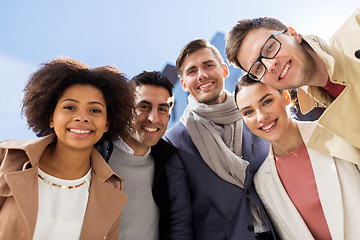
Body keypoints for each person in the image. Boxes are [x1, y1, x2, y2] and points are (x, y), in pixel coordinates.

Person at [0, 58, 135, 239]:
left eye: (95, 110)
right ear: (51, 117)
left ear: (107, 124)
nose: (82, 117)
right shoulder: (6, 157)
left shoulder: (112, 186)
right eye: (70, 107)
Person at [164, 39, 277, 239]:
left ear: (224, 70)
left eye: (208, 65)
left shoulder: (255, 116)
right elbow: (180, 217)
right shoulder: (174, 141)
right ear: (183, 84)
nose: (202, 75)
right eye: (192, 71)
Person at [225, 8, 360, 163]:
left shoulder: (356, 30)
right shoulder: (323, 123)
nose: (270, 65)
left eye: (270, 47)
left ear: (293, 34)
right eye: (258, 68)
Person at [234, 74, 360, 240]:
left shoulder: (336, 135)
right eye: (248, 112)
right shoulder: (262, 182)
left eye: (267, 102)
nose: (261, 117)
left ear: (286, 96)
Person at [98, 71, 176, 240]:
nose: (153, 118)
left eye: (162, 109)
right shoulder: (95, 154)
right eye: (144, 106)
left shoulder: (172, 161)